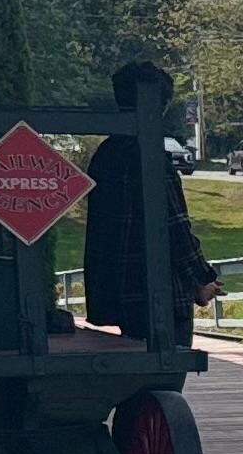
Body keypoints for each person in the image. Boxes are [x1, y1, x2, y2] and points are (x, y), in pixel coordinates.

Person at [84, 60, 215, 341]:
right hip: (159, 295)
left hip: (116, 291)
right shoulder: (152, 158)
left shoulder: (105, 155)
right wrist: (203, 277)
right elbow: (175, 227)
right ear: (162, 105)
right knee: (168, 375)